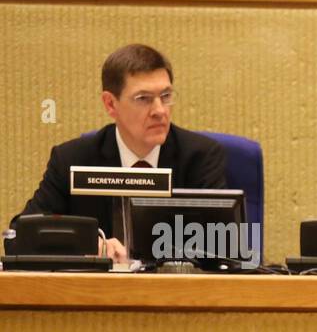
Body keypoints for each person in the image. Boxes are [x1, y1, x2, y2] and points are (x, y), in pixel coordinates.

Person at [10, 44, 227, 264]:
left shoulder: (200, 157)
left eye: (166, 96)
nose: (160, 110)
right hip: (95, 294)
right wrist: (90, 244)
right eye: (143, 98)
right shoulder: (72, 159)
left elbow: (224, 247)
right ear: (110, 104)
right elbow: (21, 235)